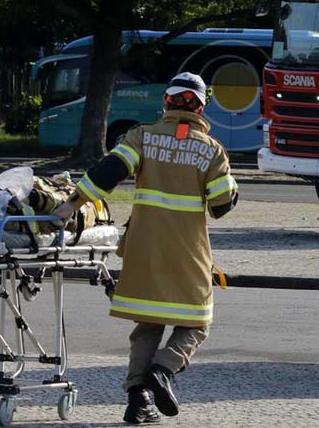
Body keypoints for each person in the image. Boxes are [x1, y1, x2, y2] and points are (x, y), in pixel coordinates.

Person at [54, 72, 238, 425]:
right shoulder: (212, 149)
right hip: (188, 253)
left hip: (143, 249)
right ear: (201, 107)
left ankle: (138, 399)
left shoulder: (142, 137)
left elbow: (107, 172)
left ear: (166, 102)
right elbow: (220, 205)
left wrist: (69, 207)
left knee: (148, 325)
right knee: (198, 322)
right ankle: (164, 370)